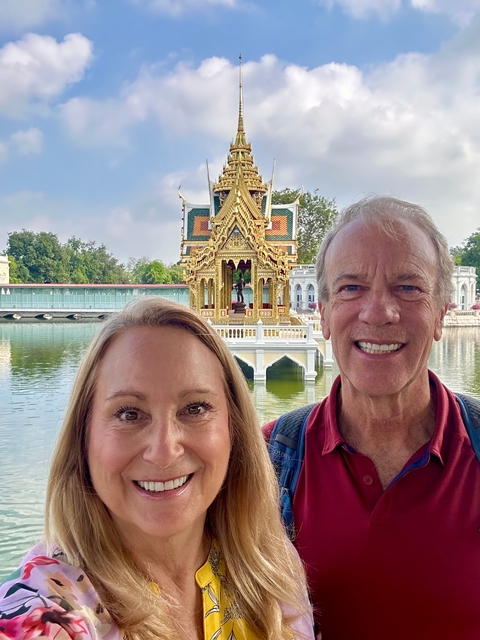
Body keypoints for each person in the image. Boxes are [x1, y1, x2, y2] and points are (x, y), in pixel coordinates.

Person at [0, 298, 314, 640]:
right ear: (84, 437)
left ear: (233, 429)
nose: (164, 452)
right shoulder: (49, 609)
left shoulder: (267, 568)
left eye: (195, 408)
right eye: (128, 414)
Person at [264, 196, 480, 640]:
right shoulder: (268, 460)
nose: (379, 311)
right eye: (350, 288)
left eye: (408, 287)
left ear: (441, 312)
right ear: (321, 314)